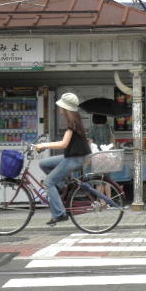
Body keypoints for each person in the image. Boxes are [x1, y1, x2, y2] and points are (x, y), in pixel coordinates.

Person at [34, 92, 91, 226]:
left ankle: (60, 214)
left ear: (66, 108)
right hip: (72, 156)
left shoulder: (72, 123)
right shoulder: (74, 120)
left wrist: (44, 145)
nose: (60, 108)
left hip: (74, 159)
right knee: (44, 164)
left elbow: (63, 144)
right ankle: (61, 185)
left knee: (48, 182)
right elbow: (66, 142)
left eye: (61, 106)